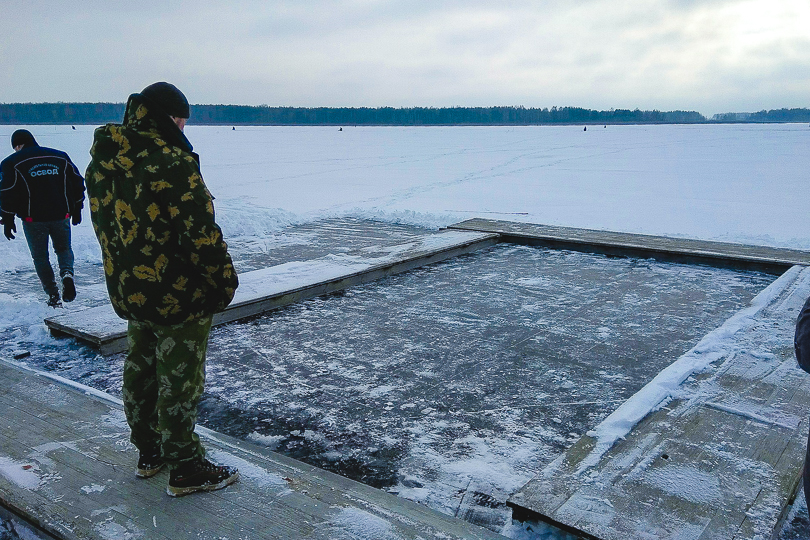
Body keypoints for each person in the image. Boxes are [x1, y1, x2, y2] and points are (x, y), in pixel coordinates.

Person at [85, 82, 240, 497]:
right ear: (166, 118)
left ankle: (149, 452)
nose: (183, 127)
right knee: (179, 379)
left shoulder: (102, 163)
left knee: (140, 370)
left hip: (132, 290)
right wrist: (224, 282)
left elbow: (107, 230)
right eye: (181, 119)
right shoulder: (171, 162)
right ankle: (185, 465)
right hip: (178, 293)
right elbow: (200, 235)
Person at [0, 129, 85, 307]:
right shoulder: (60, 157)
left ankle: (53, 295)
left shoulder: (11, 163)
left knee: (40, 257)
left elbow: (6, 192)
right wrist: (77, 207)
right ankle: (67, 274)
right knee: (63, 249)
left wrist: (7, 218)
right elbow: (77, 182)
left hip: (33, 219)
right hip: (61, 215)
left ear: (18, 145)